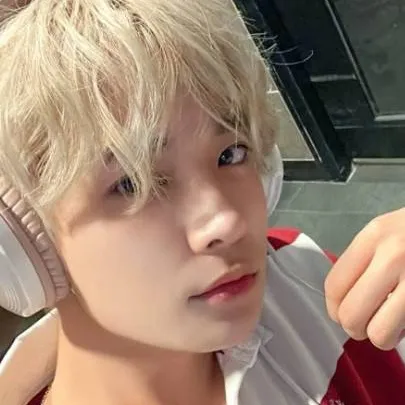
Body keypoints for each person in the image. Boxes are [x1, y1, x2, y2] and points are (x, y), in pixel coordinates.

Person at [0, 1, 404, 405]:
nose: (227, 221)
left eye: (231, 153)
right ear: (27, 244)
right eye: (134, 183)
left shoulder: (299, 272)